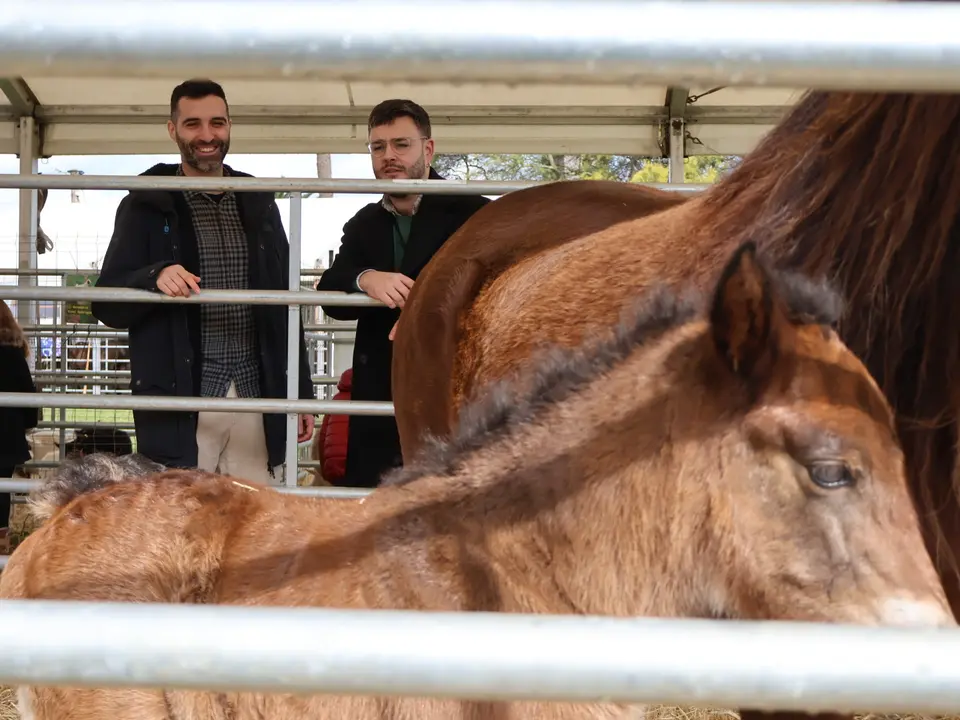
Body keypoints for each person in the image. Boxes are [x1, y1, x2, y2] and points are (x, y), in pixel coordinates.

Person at [92, 78, 315, 484]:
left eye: (217, 122)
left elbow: (288, 302)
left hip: (255, 392)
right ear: (172, 129)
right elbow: (106, 303)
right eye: (193, 124)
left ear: (230, 125)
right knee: (181, 520)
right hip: (182, 396)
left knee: (253, 522)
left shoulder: (259, 202)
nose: (207, 135)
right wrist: (152, 276)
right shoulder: (145, 204)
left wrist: (300, 396)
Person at [316, 99, 491, 487]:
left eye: (401, 145)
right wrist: (365, 278)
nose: (388, 157)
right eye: (378, 147)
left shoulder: (474, 213)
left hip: (450, 391)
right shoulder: (363, 223)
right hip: (380, 394)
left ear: (428, 149)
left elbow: (497, 290)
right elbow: (330, 292)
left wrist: (431, 311)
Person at [0, 299, 38, 552]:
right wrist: (26, 424)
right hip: (5, 437)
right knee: (1, 490)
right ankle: (1, 540)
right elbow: (28, 397)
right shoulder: (13, 355)